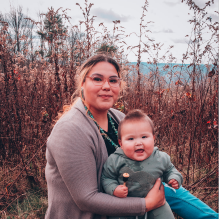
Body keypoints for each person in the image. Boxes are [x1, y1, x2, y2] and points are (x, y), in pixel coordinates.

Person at [45, 54, 219, 219]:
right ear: (82, 84)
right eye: (97, 79)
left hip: (131, 192)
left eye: (113, 80)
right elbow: (86, 199)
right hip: (95, 213)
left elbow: (147, 159)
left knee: (168, 189)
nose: (106, 86)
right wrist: (146, 204)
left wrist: (168, 176)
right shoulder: (70, 130)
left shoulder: (118, 118)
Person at [101, 109, 183, 219]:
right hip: (126, 206)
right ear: (121, 143)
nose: (139, 143)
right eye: (131, 139)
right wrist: (114, 189)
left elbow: (170, 170)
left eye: (144, 137)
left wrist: (174, 178)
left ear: (153, 138)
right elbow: (106, 177)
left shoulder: (160, 157)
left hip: (157, 205)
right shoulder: (115, 160)